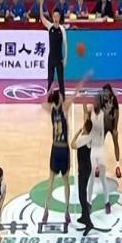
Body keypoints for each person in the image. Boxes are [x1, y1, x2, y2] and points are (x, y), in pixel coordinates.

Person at [41, 81, 85, 224]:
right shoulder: (64, 109)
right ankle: (66, 211)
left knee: (51, 181)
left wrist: (49, 93)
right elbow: (75, 94)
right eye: (60, 95)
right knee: (66, 182)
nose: (62, 96)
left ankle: (46, 209)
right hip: (64, 149)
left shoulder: (51, 110)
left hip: (54, 149)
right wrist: (83, 81)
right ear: (59, 100)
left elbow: (42, 104)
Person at [84, 94, 110, 214]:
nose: (94, 103)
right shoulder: (91, 113)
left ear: (100, 103)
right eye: (94, 101)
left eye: (96, 102)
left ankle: (107, 202)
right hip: (93, 149)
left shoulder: (103, 115)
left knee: (103, 178)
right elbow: (87, 127)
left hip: (100, 149)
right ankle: (89, 203)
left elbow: (102, 130)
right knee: (91, 178)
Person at [39, 0, 67, 99]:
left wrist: (65, 58)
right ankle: (49, 97)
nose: (56, 18)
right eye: (54, 16)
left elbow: (65, 44)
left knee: (60, 80)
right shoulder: (49, 26)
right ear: (52, 17)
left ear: (59, 17)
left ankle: (62, 97)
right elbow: (42, 17)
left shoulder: (62, 29)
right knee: (50, 79)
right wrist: (41, 4)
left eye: (57, 16)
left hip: (59, 58)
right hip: (51, 58)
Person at [71, 119, 94, 236]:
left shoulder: (84, 139)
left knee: (81, 195)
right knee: (82, 192)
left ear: (85, 128)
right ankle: (84, 217)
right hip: (86, 167)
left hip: (84, 169)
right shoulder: (89, 137)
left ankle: (89, 223)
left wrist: (77, 133)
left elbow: (72, 145)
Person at [102, 84, 121, 178]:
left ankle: (118, 166)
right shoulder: (101, 100)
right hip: (104, 125)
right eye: (104, 91)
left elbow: (117, 113)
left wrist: (115, 128)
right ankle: (98, 166)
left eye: (106, 91)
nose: (105, 93)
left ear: (109, 91)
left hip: (112, 125)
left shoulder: (114, 100)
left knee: (116, 143)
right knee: (99, 145)